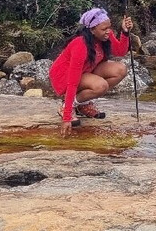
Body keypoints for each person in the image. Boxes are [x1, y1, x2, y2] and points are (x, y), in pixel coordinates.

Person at [50, 7, 133, 136]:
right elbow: (72, 81)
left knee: (121, 69)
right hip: (64, 77)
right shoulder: (80, 45)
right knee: (101, 86)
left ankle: (82, 103)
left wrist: (125, 32)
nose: (108, 32)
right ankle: (67, 105)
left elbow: (120, 52)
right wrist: (66, 117)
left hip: (86, 70)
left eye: (109, 28)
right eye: (104, 29)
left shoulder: (105, 36)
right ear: (92, 30)